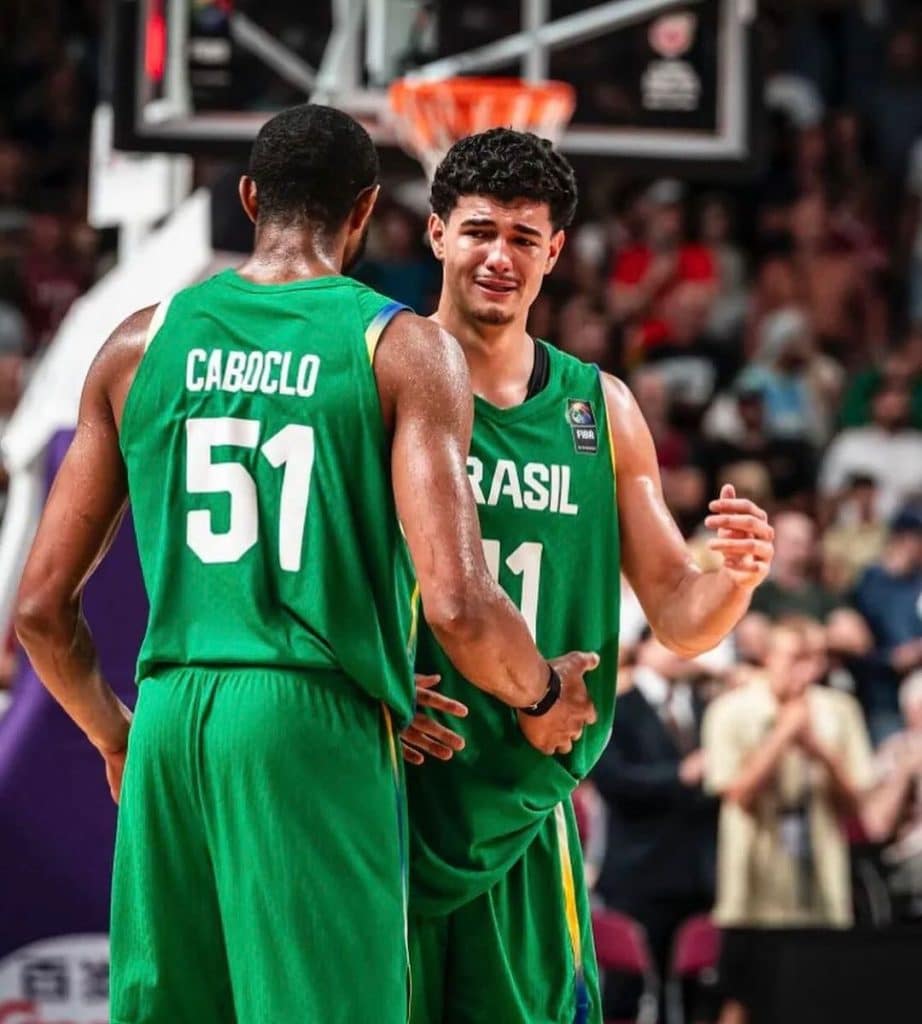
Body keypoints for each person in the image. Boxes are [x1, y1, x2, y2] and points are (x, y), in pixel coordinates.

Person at [12, 105, 598, 1024]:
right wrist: (538, 694)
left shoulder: (136, 343)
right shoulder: (401, 346)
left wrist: (115, 734)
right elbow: (455, 600)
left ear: (248, 199)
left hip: (170, 712)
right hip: (309, 717)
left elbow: (42, 608)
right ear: (367, 213)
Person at [404, 128, 775, 1024]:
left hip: (525, 799)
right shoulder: (379, 374)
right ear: (436, 233)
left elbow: (681, 618)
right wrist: (370, 679)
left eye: (524, 238)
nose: (500, 256)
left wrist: (733, 576)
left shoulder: (599, 406)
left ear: (556, 252)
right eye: (481, 230)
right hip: (389, 784)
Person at [703, 620, 876, 1024]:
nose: (807, 669)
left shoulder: (839, 710)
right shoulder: (731, 709)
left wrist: (821, 751)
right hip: (754, 891)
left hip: (823, 890)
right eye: (796, 658)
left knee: (821, 999)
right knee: (740, 1000)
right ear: (769, 658)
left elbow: (855, 804)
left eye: (816, 658)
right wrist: (783, 736)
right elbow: (736, 793)